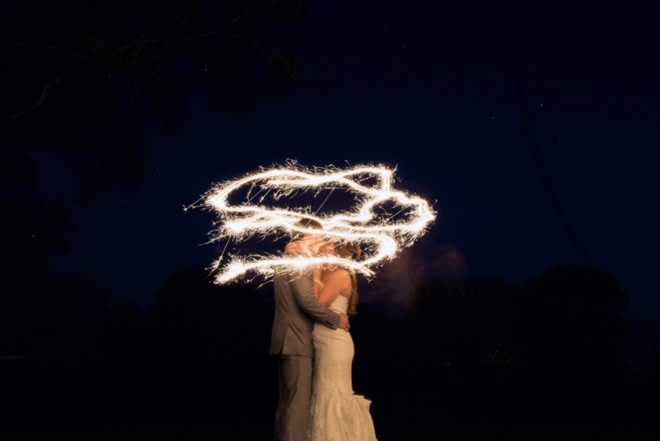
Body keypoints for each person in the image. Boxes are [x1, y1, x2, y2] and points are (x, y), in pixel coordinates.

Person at [270, 218, 351, 441]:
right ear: (307, 234)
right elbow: (305, 301)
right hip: (296, 340)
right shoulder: (298, 259)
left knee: (287, 406)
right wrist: (335, 319)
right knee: (295, 409)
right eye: (319, 236)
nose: (322, 241)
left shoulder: (290, 257)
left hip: (287, 339)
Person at [307, 240, 377, 441]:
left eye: (328, 243)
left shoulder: (340, 274)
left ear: (337, 251)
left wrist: (317, 271)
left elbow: (318, 305)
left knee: (331, 394)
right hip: (324, 341)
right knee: (323, 392)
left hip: (334, 344)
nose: (323, 244)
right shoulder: (334, 273)